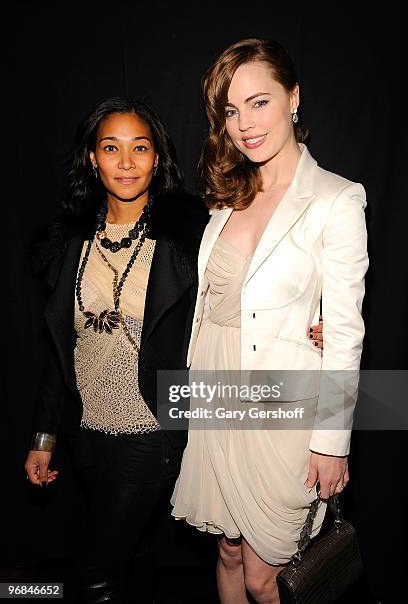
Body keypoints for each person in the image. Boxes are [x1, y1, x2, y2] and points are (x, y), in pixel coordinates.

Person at [170, 38, 369, 604]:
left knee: (267, 576)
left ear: (294, 98)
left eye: (259, 102)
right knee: (228, 552)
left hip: (280, 403)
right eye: (231, 111)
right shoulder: (229, 195)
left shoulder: (336, 199)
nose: (245, 124)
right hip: (216, 389)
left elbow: (347, 331)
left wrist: (332, 441)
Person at [24, 97, 209, 603]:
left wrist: (310, 324)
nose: (126, 163)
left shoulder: (188, 238)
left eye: (140, 148)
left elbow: (243, 303)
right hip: (88, 433)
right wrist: (44, 434)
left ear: (157, 157)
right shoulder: (69, 244)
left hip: (152, 429)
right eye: (111, 148)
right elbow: (60, 349)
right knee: (134, 554)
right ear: (92, 158)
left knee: (96, 572)